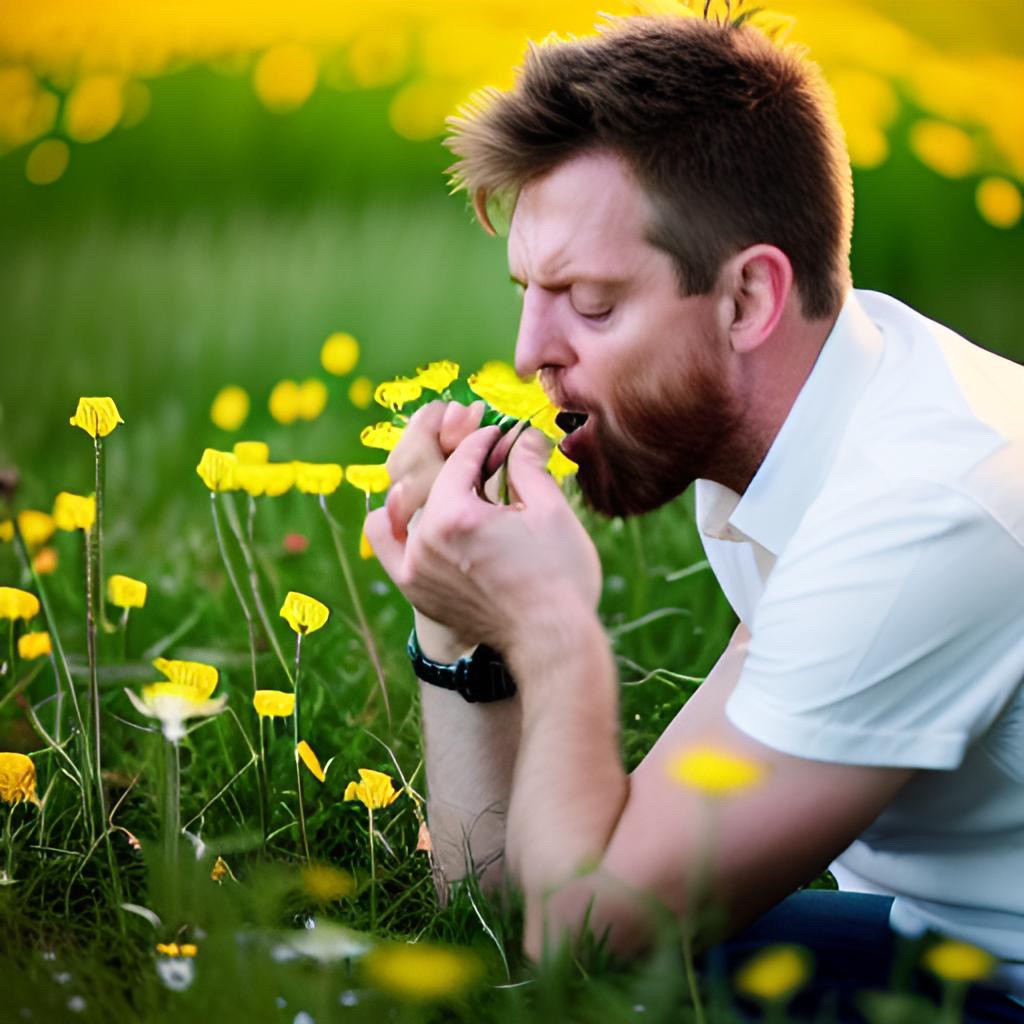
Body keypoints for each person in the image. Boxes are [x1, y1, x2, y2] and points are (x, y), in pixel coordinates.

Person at [364, 14, 1024, 1020]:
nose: (529, 351)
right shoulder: (800, 437)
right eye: (527, 294)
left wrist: (550, 626)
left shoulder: (915, 511)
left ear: (746, 297)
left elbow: (586, 928)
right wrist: (456, 619)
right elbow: (495, 903)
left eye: (587, 302)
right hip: (937, 942)